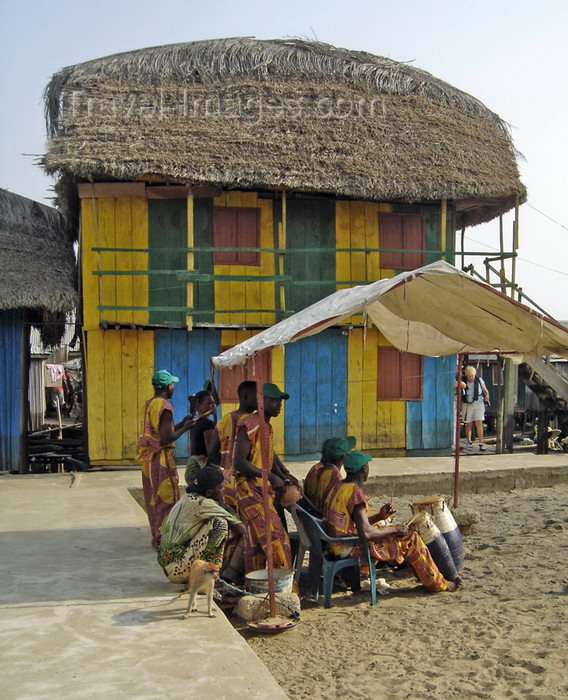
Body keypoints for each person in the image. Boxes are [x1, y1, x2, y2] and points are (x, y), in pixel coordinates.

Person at [324, 450, 462, 593]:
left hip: (334, 545)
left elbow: (353, 522)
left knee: (394, 531)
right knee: (410, 538)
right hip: (348, 548)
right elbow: (366, 532)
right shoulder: (355, 493)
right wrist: (396, 529)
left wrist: (380, 516)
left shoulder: (338, 487)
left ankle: (428, 577)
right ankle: (438, 584)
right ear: (364, 469)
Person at [232, 382, 295, 575]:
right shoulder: (250, 424)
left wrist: (284, 475)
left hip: (262, 489)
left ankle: (255, 586)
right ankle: (283, 587)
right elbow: (239, 463)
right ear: (262, 401)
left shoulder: (266, 426)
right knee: (275, 539)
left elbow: (269, 457)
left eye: (280, 401)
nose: (279, 405)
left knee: (256, 543)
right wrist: (269, 476)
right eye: (274, 400)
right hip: (249, 489)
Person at [157, 467, 246, 584]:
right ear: (209, 492)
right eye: (221, 487)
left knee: (213, 523)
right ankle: (205, 578)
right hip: (177, 569)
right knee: (220, 523)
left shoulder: (188, 498)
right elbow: (241, 529)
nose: (223, 490)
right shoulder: (203, 503)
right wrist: (223, 505)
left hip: (172, 565)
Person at [137, 369, 194, 548]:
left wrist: (181, 424)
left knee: (153, 498)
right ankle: (165, 538)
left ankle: (157, 534)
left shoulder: (150, 404)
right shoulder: (165, 407)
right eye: (172, 384)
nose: (174, 387)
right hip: (162, 458)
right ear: (168, 386)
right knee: (166, 498)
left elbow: (161, 430)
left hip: (149, 458)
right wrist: (186, 428)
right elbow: (166, 437)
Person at [207, 380, 258, 509]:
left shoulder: (225, 420)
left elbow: (212, 452)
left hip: (226, 481)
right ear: (246, 397)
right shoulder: (253, 422)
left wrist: (226, 466)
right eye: (257, 395)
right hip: (248, 483)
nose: (261, 399)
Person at [303, 436, 356, 514]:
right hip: (323, 518)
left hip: (313, 514)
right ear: (343, 457)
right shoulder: (334, 476)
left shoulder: (317, 468)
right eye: (349, 451)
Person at [185, 389, 217, 484]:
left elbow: (191, 449)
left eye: (213, 403)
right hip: (201, 470)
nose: (213, 406)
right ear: (199, 406)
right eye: (209, 403)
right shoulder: (207, 424)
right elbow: (211, 451)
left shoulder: (194, 423)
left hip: (192, 468)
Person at [462, 365, 490, 450]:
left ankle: (481, 443)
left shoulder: (479, 380)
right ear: (466, 375)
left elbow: (486, 391)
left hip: (478, 403)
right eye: (469, 376)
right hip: (467, 404)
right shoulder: (463, 381)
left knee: (479, 423)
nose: (471, 378)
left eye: (472, 376)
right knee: (468, 423)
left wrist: (487, 397)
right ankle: (469, 441)